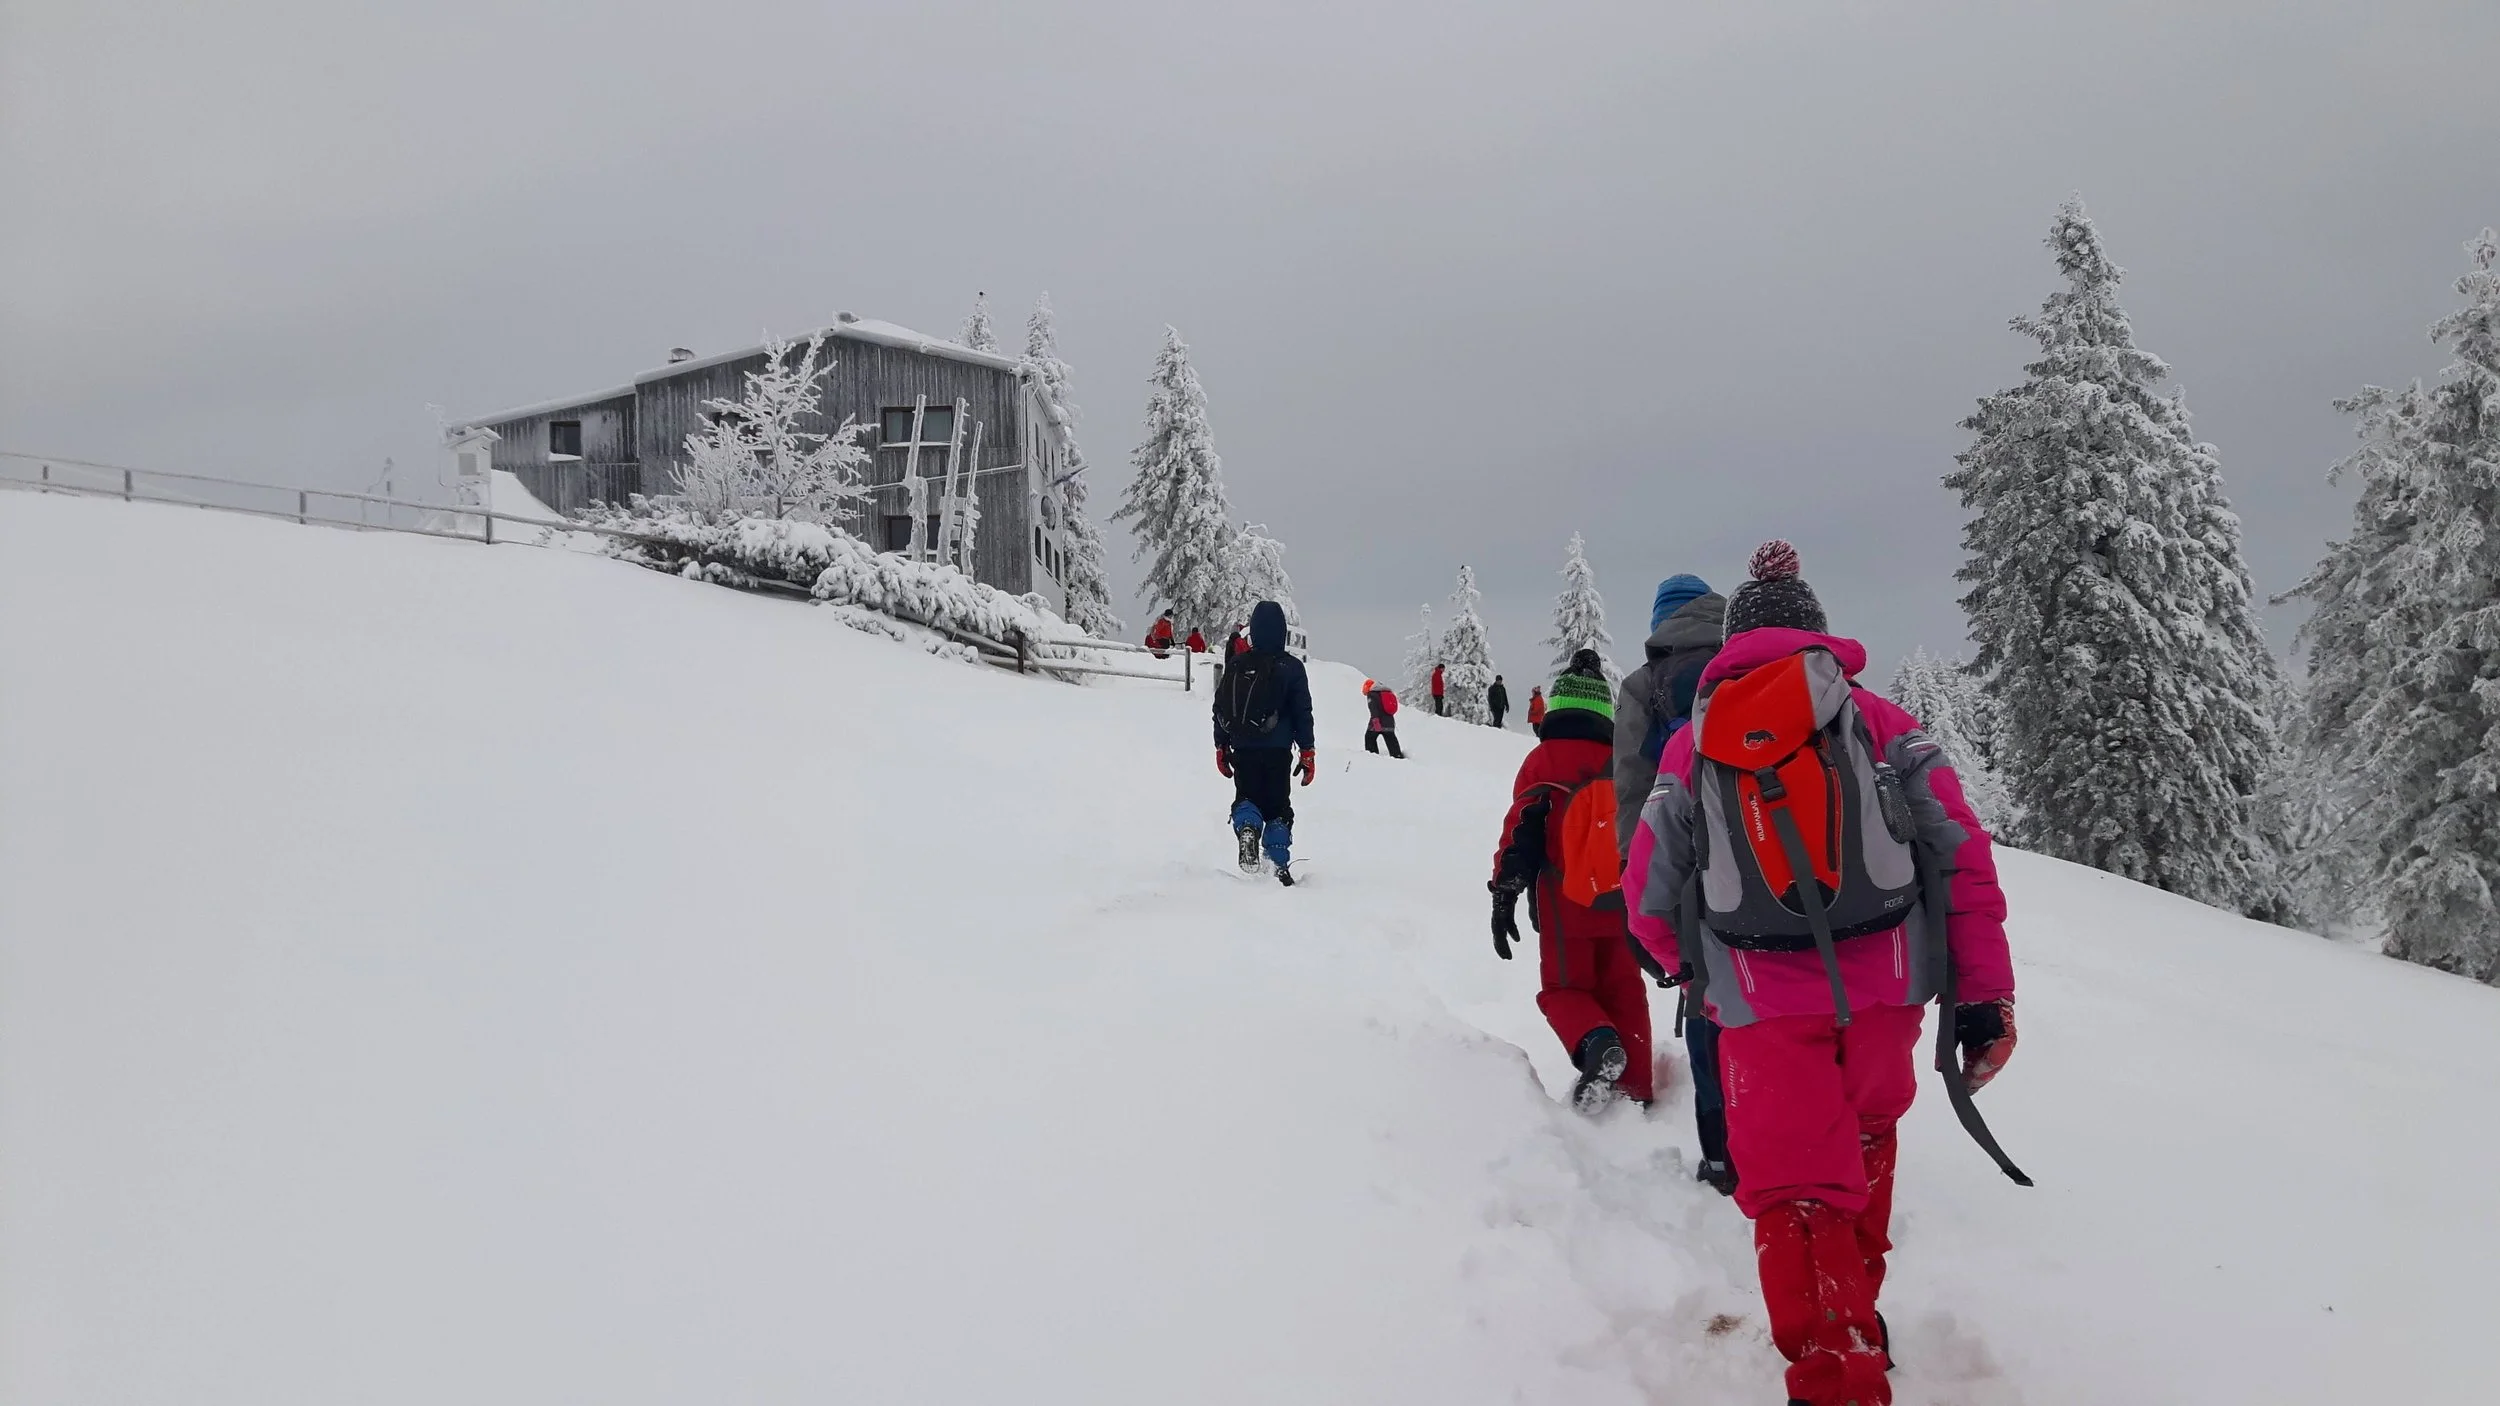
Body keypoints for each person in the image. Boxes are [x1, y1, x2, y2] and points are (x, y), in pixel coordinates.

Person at [1624, 542, 2017, 1406]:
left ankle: (1835, 1373)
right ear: (1819, 636)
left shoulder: (1693, 745)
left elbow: (1646, 895)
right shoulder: (1883, 723)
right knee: (1867, 1141)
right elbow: (1961, 855)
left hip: (1761, 1004)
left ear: (1733, 644)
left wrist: (1689, 975)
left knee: (1798, 1194)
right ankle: (1858, 1318)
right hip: (1889, 991)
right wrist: (1985, 991)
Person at [1611, 572, 1735, 1193]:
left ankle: (1721, 1157)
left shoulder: (1644, 685)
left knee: (1707, 999)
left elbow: (1633, 792)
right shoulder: (1746, 666)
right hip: (1766, 859)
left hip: (1685, 869)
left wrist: (1640, 894)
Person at [1489, 651, 1654, 1113]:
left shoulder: (1543, 761)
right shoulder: (1624, 760)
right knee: (1625, 988)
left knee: (1564, 989)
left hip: (1565, 901)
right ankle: (1637, 1089)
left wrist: (1504, 890)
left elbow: (1521, 830)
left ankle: (1598, 1046)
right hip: (1623, 901)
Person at [1214, 600, 1316, 886]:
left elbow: (1219, 707)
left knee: (1246, 798)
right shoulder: (1291, 667)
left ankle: (1247, 825)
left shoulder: (1237, 663)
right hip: (1278, 751)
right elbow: (1302, 712)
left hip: (1243, 748)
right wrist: (1307, 751)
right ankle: (1278, 866)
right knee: (1278, 808)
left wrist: (1221, 746)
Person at [1361, 678, 1406, 759]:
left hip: (1377, 723)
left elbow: (1373, 709)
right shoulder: (1386, 692)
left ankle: (1372, 757)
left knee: (1369, 737)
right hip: (1389, 723)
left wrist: (1375, 721)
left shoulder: (1372, 694)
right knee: (1391, 739)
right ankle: (1398, 756)